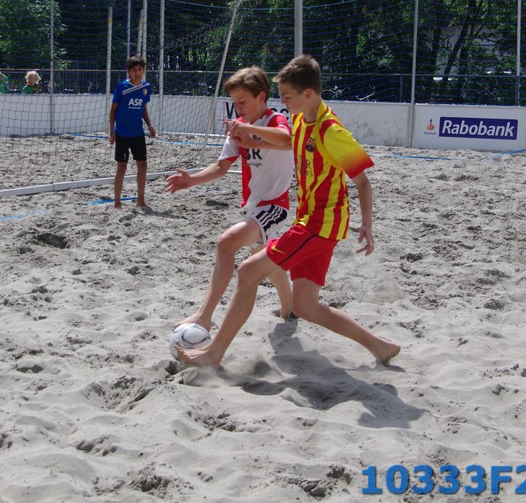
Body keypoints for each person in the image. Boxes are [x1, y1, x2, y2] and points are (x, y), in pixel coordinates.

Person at [177, 55, 400, 368]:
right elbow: (288, 143)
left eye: (286, 96)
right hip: (309, 220)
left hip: (320, 225)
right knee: (306, 306)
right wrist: (250, 138)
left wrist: (367, 225)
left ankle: (213, 355)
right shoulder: (300, 118)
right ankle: (381, 347)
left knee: (248, 271)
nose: (282, 102)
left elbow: (362, 181)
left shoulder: (332, 131)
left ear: (307, 94)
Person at [166, 66, 294, 329]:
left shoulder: (275, 120)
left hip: (274, 206)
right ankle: (290, 309)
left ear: (261, 96)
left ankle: (204, 316)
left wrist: (250, 134)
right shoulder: (238, 129)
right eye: (235, 103)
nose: (238, 108)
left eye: (242, 101)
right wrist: (191, 180)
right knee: (268, 262)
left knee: (226, 243)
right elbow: (221, 167)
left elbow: (287, 139)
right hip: (254, 206)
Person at [109, 55, 157, 209]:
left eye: (140, 70)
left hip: (138, 134)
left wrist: (150, 125)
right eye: (134, 70)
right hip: (122, 134)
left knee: (143, 165)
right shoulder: (122, 87)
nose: (137, 73)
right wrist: (112, 132)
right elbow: (113, 110)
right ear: (129, 71)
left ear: (143, 71)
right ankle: (117, 202)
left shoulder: (146, 87)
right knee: (122, 167)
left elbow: (143, 108)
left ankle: (140, 200)